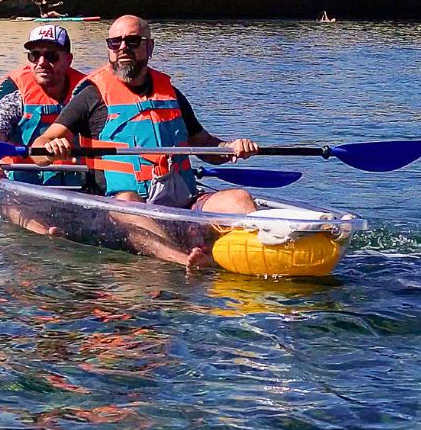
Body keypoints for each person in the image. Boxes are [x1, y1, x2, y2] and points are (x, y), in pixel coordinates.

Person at [31, 15, 259, 268]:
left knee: (239, 199)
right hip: (121, 206)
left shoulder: (170, 93)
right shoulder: (91, 96)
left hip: (182, 202)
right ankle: (186, 262)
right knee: (127, 204)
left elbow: (205, 144)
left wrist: (231, 149)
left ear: (149, 47)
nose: (123, 49)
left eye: (132, 41)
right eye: (115, 43)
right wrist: (51, 148)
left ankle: (257, 252)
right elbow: (39, 149)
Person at [0, 24, 92, 234]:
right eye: (34, 56)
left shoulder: (87, 98)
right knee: (13, 207)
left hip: (76, 185)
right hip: (25, 186)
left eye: (51, 56)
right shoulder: (16, 100)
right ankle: (47, 236)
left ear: (68, 60)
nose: (42, 63)